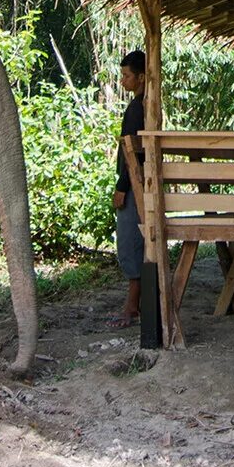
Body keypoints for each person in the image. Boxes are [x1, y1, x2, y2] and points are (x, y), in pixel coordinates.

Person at [109, 50, 149, 328]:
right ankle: (136, 301)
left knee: (130, 241)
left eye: (126, 76)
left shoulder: (138, 109)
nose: (123, 81)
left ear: (141, 77)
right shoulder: (146, 106)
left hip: (133, 183)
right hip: (139, 182)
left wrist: (122, 186)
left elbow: (132, 153)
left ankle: (132, 304)